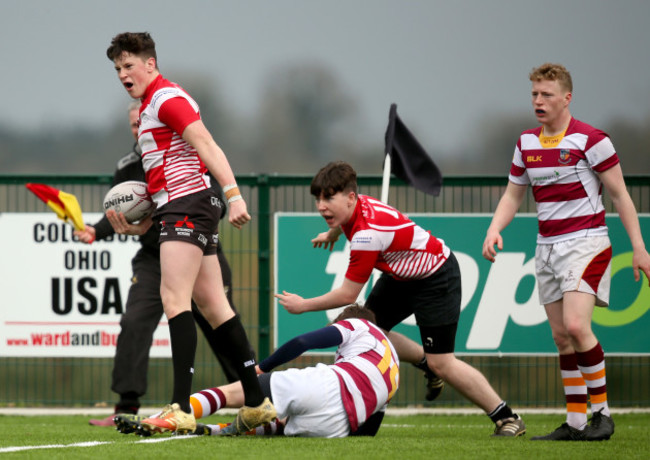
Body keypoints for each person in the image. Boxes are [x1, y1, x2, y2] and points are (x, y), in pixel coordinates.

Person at [104, 31, 275, 435]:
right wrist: (142, 218)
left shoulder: (166, 98)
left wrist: (234, 196)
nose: (122, 74)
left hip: (187, 205)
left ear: (151, 64)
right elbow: (169, 168)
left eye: (129, 65)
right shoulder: (149, 105)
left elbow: (206, 143)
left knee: (172, 297)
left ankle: (181, 407)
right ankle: (257, 403)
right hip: (182, 205)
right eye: (117, 69)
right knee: (216, 307)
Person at [276, 161, 525, 437]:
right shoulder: (355, 207)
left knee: (442, 362)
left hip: (436, 276)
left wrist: (303, 305)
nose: (321, 206)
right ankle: (424, 363)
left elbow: (348, 295)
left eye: (328, 198)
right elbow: (345, 221)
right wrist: (331, 232)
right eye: (318, 199)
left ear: (349, 197)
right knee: (367, 333)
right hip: (401, 276)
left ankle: (507, 418)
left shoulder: (367, 235)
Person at [482, 63, 650, 441]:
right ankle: (575, 423)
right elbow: (513, 194)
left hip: (587, 244)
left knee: (577, 327)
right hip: (546, 247)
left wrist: (639, 248)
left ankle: (602, 415)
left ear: (567, 98)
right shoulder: (526, 142)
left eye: (546, 95)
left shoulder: (592, 140)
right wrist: (495, 227)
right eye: (534, 95)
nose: (538, 101)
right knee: (561, 337)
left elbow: (621, 195)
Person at [75, 102, 250, 426]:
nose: (139, 130)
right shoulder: (127, 167)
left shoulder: (187, 152)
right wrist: (95, 231)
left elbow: (214, 204)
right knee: (134, 322)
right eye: (133, 126)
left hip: (197, 250)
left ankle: (252, 396)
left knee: (221, 323)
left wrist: (169, 214)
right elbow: (121, 211)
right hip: (152, 258)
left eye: (142, 123)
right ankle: (126, 409)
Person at [116, 304, 399, 438]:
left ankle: (163, 418)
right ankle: (212, 431)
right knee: (278, 423)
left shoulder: (358, 325)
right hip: (336, 426)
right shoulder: (393, 360)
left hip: (328, 386)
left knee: (237, 392)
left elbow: (303, 343)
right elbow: (369, 432)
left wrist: (262, 368)